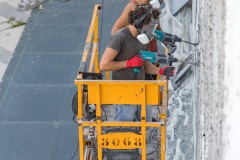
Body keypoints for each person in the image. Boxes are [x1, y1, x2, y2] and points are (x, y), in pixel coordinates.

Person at [100, 4, 174, 122]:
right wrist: (128, 63)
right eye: (150, 27)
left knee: (147, 122)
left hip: (141, 87)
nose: (152, 31)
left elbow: (144, 64)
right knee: (126, 125)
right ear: (140, 24)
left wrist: (160, 71)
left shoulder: (143, 38)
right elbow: (103, 65)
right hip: (125, 91)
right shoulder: (120, 38)